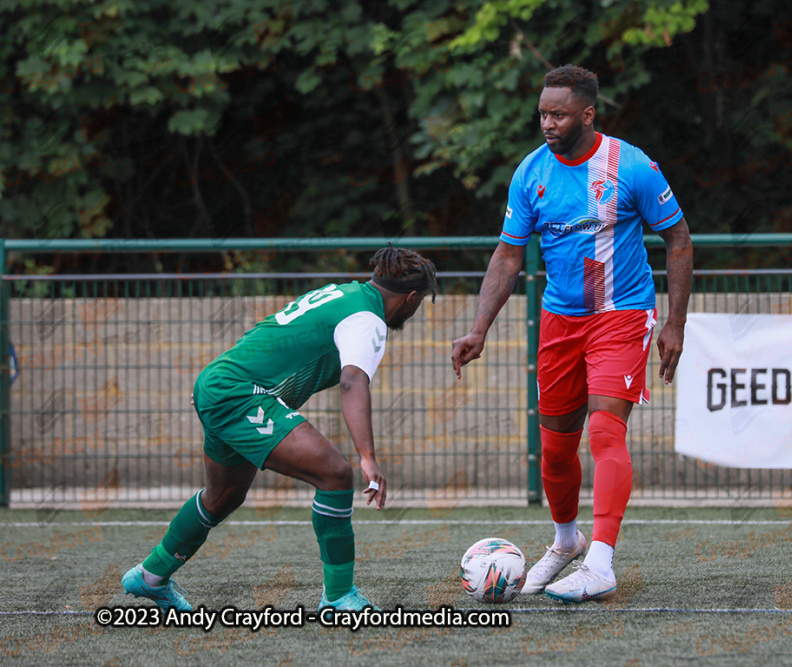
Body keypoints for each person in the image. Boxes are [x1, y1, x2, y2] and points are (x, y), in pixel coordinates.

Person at [451, 65, 693, 604]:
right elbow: (509, 254)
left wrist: (675, 322)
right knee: (556, 450)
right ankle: (565, 543)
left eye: (558, 114)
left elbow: (678, 238)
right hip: (560, 321)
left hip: (622, 313)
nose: (547, 122)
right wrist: (478, 328)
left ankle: (601, 563)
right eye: (542, 112)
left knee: (606, 432)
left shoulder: (631, 165)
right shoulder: (530, 173)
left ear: (587, 113)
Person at [122, 246, 437, 611]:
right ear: (411, 298)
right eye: (419, 303)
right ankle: (338, 596)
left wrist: (216, 382)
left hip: (222, 383)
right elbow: (352, 381)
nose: (414, 312)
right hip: (239, 394)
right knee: (335, 473)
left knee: (223, 496)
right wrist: (368, 458)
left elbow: (271, 332)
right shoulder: (369, 318)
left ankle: (149, 576)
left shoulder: (343, 293)